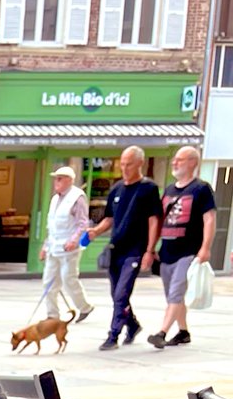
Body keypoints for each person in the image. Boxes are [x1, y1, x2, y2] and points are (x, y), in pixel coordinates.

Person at [85, 145, 161, 351]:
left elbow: (154, 220)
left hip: (135, 249)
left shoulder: (148, 189)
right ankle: (133, 324)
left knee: (121, 294)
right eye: (123, 164)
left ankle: (113, 335)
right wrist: (95, 231)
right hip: (115, 249)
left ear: (140, 164)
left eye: (129, 165)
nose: (125, 168)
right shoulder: (116, 189)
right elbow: (109, 218)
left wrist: (149, 250)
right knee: (117, 294)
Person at [147, 146, 217, 350]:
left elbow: (209, 219)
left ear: (193, 163)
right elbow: (161, 219)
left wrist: (205, 247)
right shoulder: (169, 189)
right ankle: (183, 331)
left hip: (188, 251)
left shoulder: (201, 189)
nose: (175, 163)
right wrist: (153, 248)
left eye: (180, 159)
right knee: (172, 295)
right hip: (168, 251)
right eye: (174, 160)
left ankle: (161, 333)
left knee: (176, 292)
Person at [39, 166, 93, 323]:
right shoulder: (55, 199)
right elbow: (52, 225)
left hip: (69, 248)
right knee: (48, 282)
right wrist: (45, 246)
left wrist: (74, 240)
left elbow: (82, 223)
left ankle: (85, 307)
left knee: (68, 279)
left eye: (60, 178)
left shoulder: (77, 197)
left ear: (69, 180)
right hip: (54, 247)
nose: (56, 182)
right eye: (56, 178)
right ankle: (52, 315)